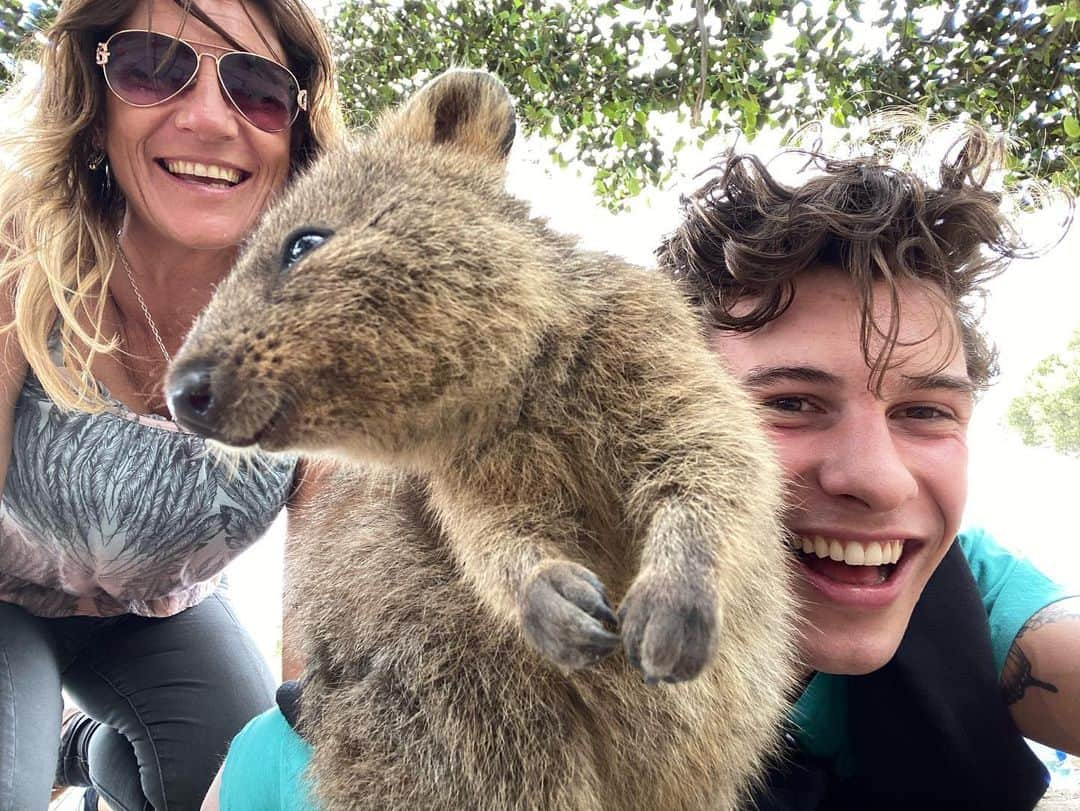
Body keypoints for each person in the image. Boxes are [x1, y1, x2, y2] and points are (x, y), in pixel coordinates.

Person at [203, 127, 1080, 810]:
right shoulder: (306, 747)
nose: (878, 479)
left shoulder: (969, 599)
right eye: (790, 402)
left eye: (926, 411)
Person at [0, 1, 342, 809]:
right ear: (98, 103)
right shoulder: (23, 243)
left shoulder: (325, 315)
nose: (207, 119)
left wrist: (295, 759)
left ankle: (93, 758)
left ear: (294, 137)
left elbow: (323, 568)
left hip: (159, 609)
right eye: (153, 68)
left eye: (256, 88)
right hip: (3, 593)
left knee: (258, 778)